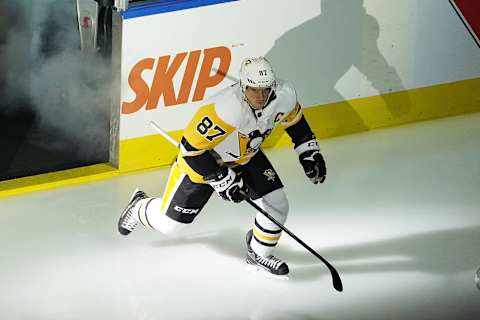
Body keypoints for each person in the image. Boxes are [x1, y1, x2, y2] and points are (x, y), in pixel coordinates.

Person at [117, 57, 327, 277]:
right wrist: (222, 178)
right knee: (170, 226)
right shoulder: (226, 109)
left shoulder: (284, 95)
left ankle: (259, 253)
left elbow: (296, 124)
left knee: (277, 204)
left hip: (246, 157)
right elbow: (191, 152)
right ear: (243, 86)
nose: (261, 97)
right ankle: (139, 206)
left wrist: (309, 153)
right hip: (204, 164)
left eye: (266, 90)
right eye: (254, 90)